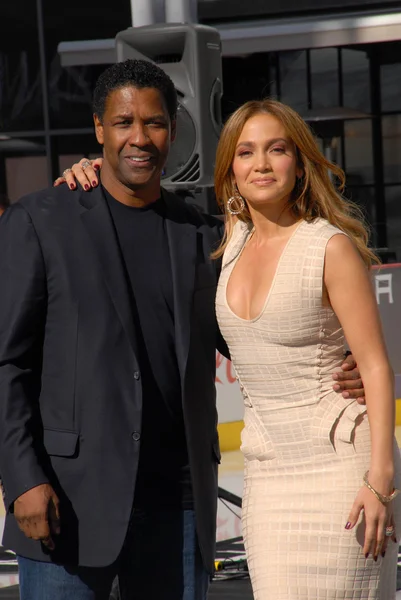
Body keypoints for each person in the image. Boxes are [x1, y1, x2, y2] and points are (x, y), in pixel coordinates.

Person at [27, 60, 363, 600]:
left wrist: (346, 367)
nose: (140, 137)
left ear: (174, 132)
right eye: (122, 123)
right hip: (69, 502)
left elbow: (261, 337)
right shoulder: (43, 220)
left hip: (178, 507)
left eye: (154, 123)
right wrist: (23, 479)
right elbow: (8, 364)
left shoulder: (204, 238)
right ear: (98, 129)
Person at [212, 99, 400, 599]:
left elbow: (377, 369)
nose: (262, 164)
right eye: (247, 152)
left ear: (299, 163)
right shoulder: (228, 245)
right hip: (268, 480)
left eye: (277, 149)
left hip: (342, 472)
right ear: (230, 168)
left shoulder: (329, 247)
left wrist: (380, 479)